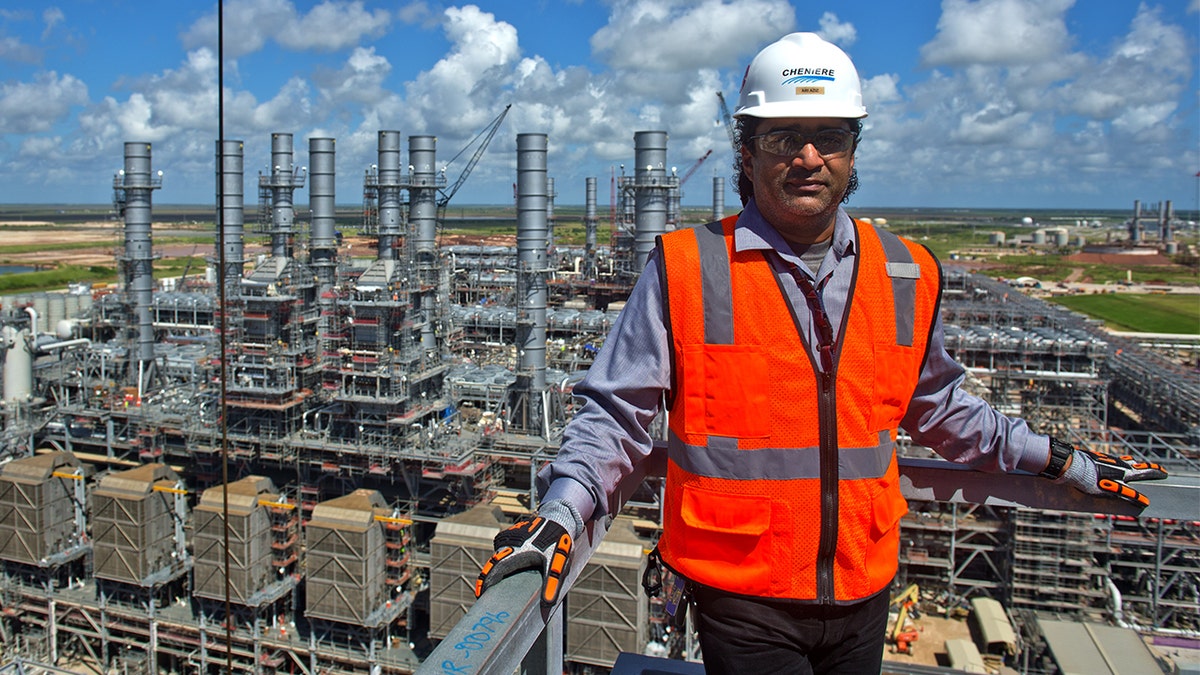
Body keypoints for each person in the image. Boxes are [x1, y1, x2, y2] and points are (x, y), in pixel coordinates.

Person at [474, 32, 1167, 674]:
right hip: (743, 595)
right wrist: (562, 512)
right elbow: (617, 413)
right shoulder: (689, 266)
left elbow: (939, 408)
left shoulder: (908, 272)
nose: (808, 157)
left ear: (853, 151)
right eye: (784, 137)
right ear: (746, 152)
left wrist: (1060, 457)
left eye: (829, 136)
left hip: (865, 587)